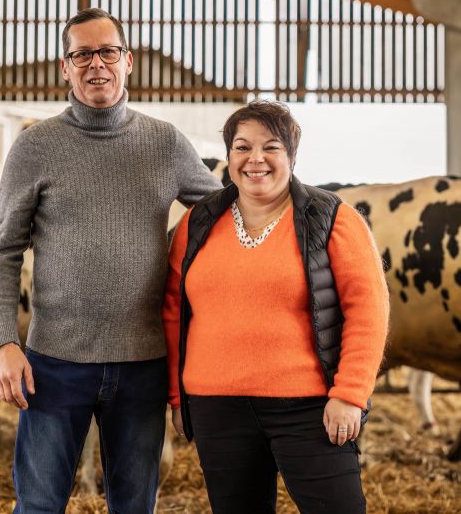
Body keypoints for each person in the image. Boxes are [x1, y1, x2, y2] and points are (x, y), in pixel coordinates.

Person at [0, 8, 221, 514]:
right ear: (65, 68)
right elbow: (2, 253)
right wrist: (4, 342)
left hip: (143, 365)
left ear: (128, 60)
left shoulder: (165, 143)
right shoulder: (35, 147)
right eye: (82, 54)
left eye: (107, 51)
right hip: (52, 364)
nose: (97, 64)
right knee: (39, 505)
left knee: (134, 506)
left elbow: (226, 212)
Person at [163, 100, 389, 513]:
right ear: (229, 156)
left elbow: (368, 310)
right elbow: (174, 310)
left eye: (271, 147)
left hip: (311, 409)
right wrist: (179, 398)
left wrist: (351, 394)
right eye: (242, 147)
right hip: (217, 408)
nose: (255, 159)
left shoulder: (332, 218)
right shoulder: (197, 223)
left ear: (291, 155)